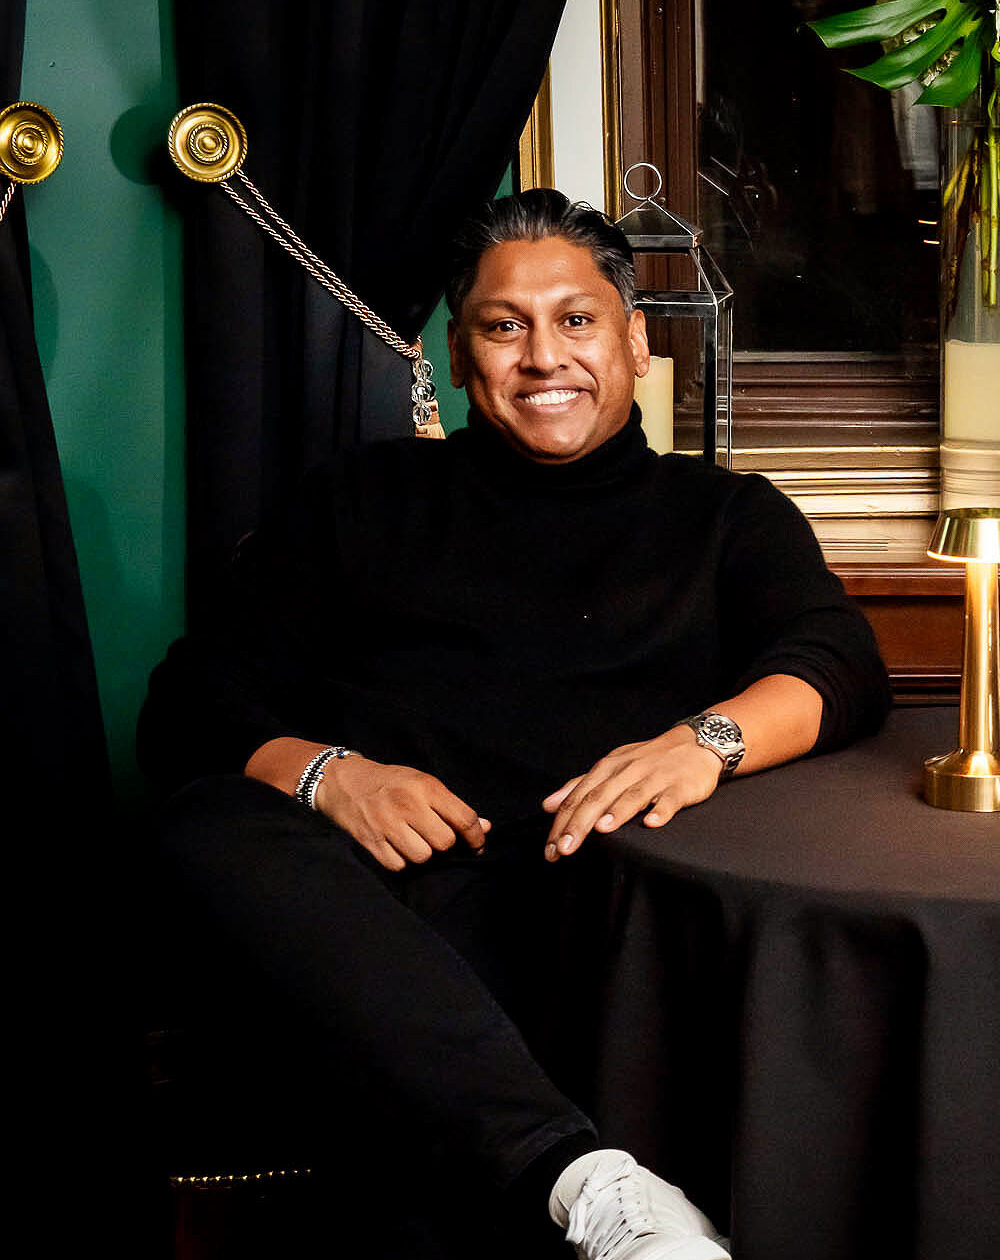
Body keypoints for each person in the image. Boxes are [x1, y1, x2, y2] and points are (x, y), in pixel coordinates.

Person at [139, 189, 890, 1259]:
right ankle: (588, 1187)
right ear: (458, 352)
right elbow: (193, 699)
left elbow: (838, 662)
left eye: (576, 320)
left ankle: (556, 1173)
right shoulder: (363, 498)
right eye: (504, 326)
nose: (544, 357)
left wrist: (702, 743)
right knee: (206, 822)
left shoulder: (723, 517)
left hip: (601, 911)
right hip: (375, 919)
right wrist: (329, 773)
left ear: (633, 340)